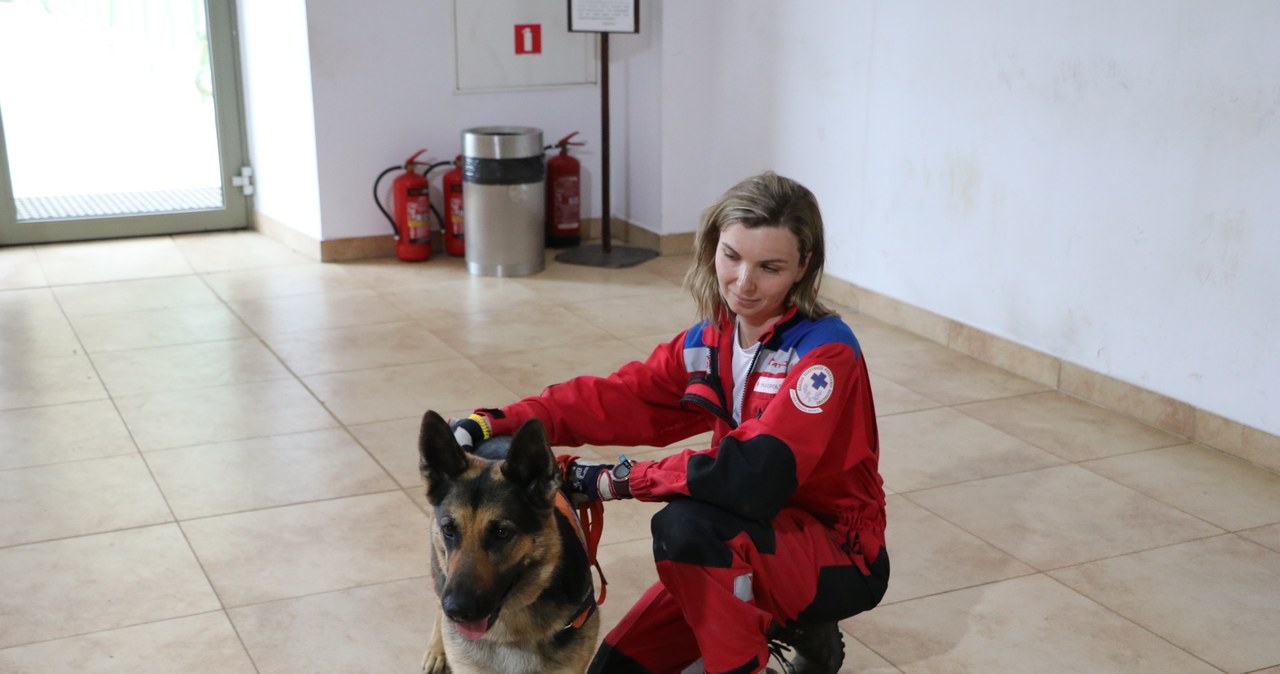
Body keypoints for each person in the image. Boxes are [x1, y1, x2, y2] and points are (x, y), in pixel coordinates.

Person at [451, 171, 888, 674]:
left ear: (803, 266)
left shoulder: (825, 356)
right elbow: (619, 397)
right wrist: (497, 421)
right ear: (711, 247)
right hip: (745, 535)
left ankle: (763, 644)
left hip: (836, 550)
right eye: (732, 256)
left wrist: (614, 481)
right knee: (613, 670)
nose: (744, 282)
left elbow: (753, 477)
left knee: (685, 529)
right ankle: (788, 623)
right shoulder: (712, 339)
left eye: (769, 266)